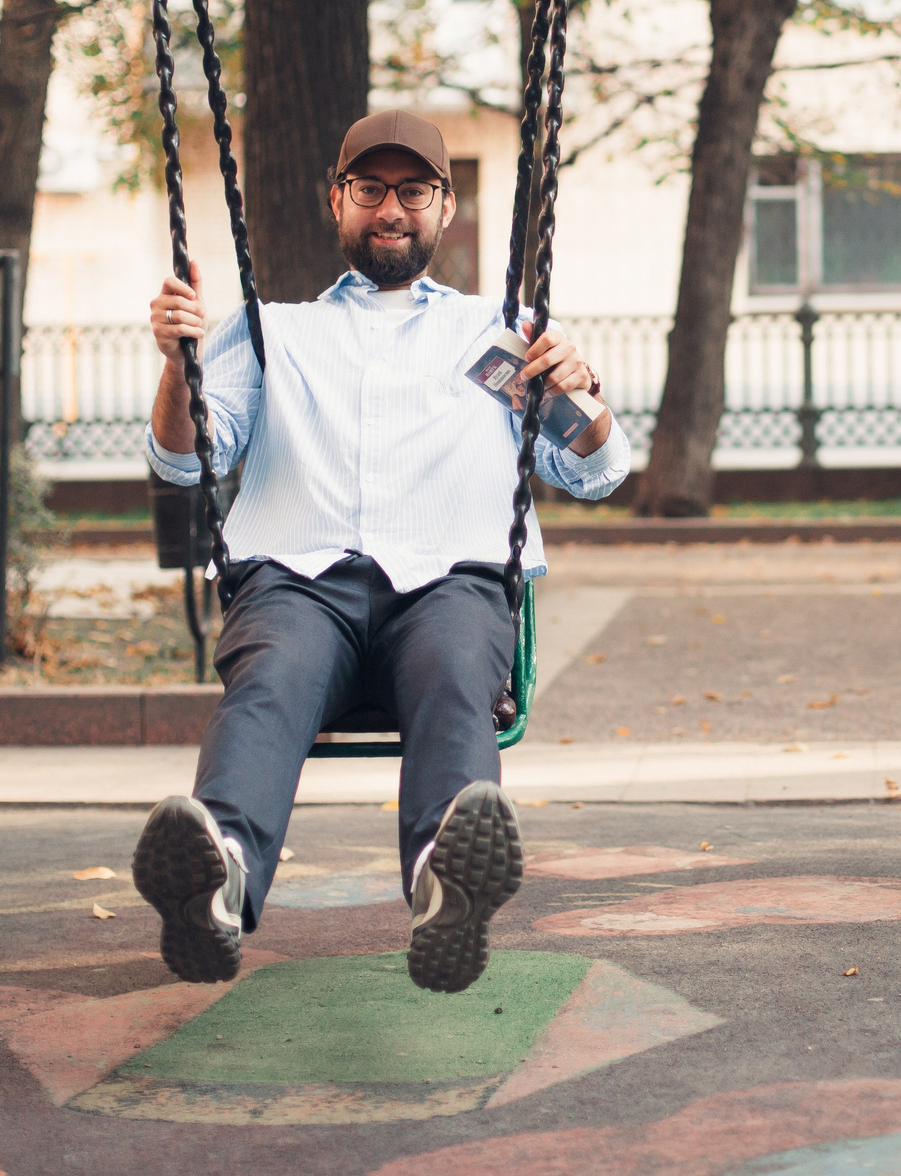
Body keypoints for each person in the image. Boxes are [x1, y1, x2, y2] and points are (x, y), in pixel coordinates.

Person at [132, 109, 627, 994]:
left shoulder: (502, 331)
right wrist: (179, 364)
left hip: (448, 586)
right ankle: (218, 882)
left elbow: (595, 472)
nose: (390, 208)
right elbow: (183, 456)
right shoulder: (269, 329)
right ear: (338, 200)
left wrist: (582, 394)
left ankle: (448, 884)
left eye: (413, 190)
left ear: (443, 204)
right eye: (370, 189)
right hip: (298, 586)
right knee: (272, 674)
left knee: (451, 668)